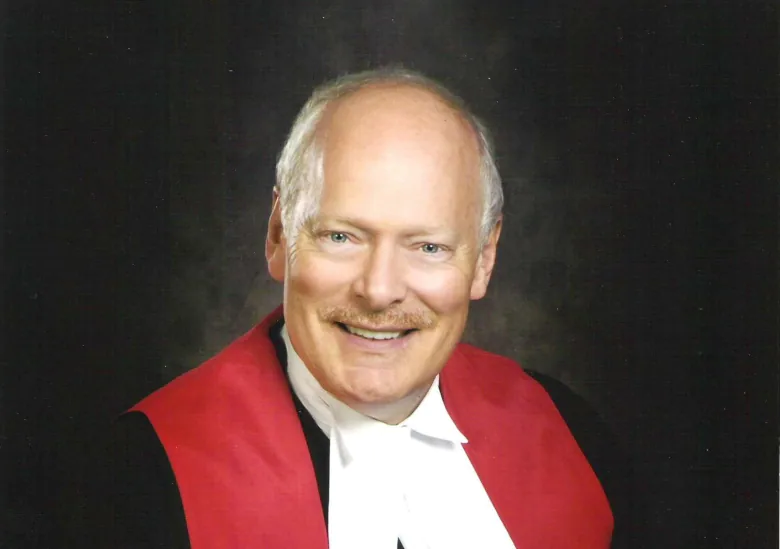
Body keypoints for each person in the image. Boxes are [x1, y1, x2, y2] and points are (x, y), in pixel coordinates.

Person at [96, 67, 629, 549]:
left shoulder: (569, 430)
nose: (379, 290)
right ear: (279, 235)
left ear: (484, 260)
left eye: (428, 247)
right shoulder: (142, 477)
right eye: (342, 236)